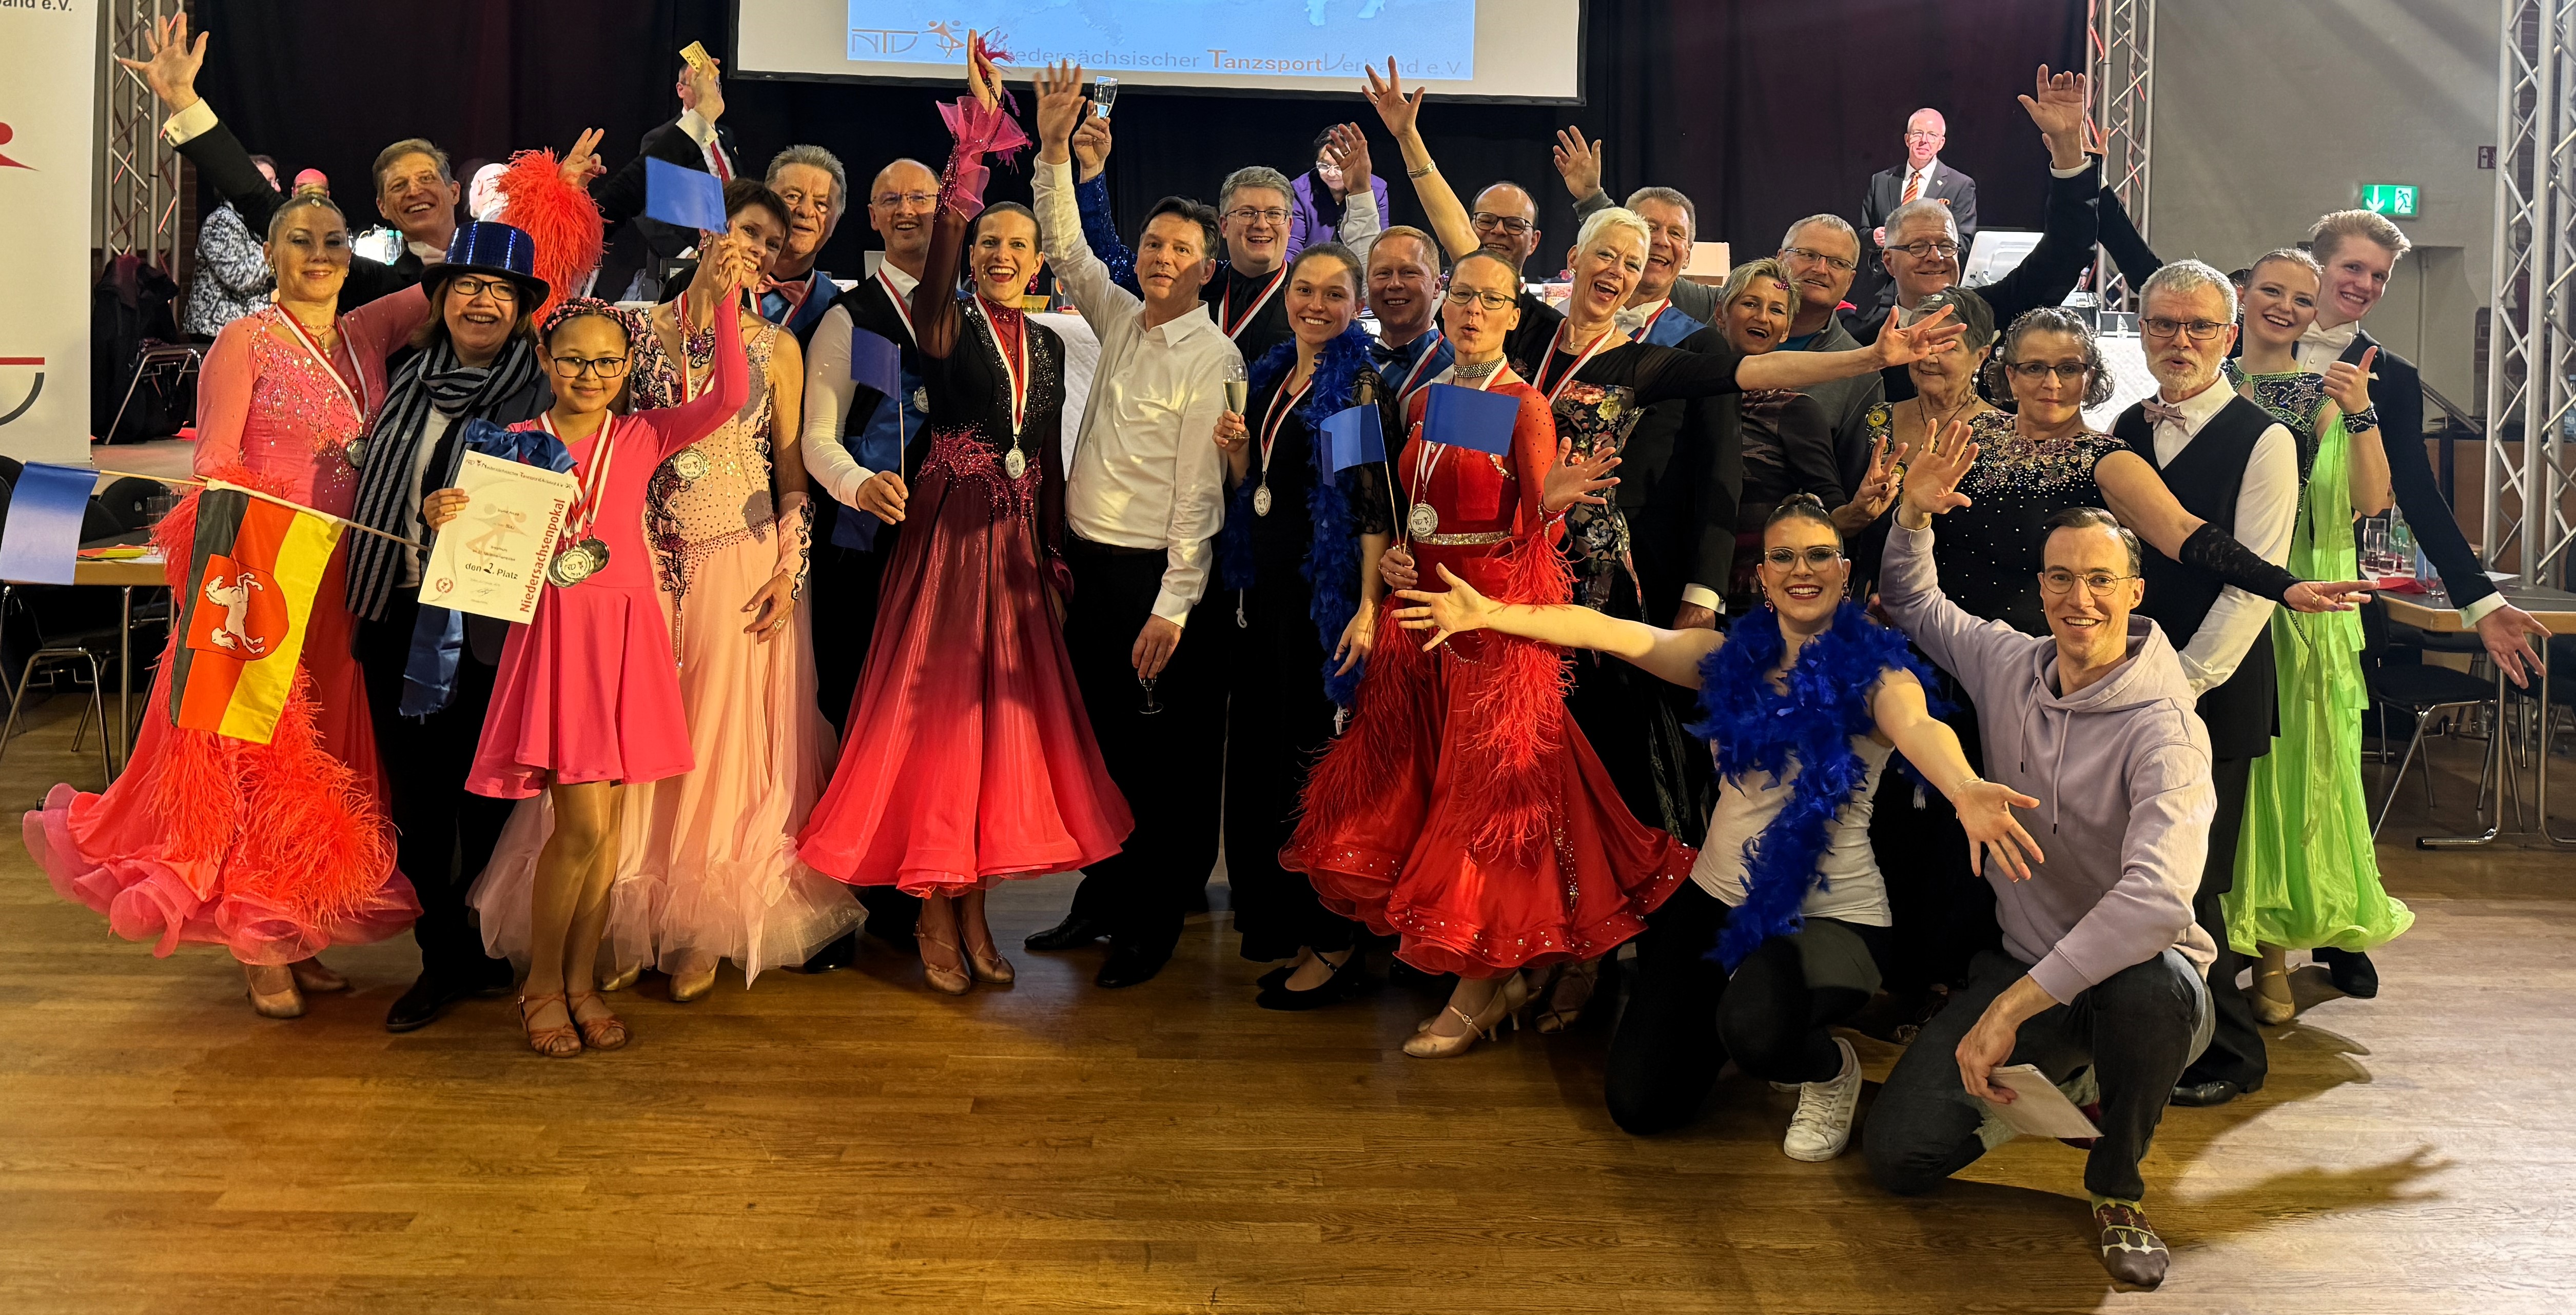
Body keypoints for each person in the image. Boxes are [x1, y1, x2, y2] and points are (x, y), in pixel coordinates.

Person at [1398, 494, 2025, 1161]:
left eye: (1818, 554)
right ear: (1763, 576)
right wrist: (1491, 612)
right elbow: (1604, 629)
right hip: (1715, 898)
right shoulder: (1724, 655)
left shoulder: (1875, 673)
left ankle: (1825, 1068)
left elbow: (1918, 724)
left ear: (1845, 572)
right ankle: (1743, 1015)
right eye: (1782, 555)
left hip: (1827, 912)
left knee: (1756, 1028)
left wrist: (1963, 786)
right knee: (1641, 1104)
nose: (1800, 569)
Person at [26, 180, 429, 1019]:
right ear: (272, 255)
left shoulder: (366, 334)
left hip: (344, 582)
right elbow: (214, 465)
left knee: (326, 761)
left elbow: (456, 277)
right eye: (302, 241)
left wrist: (554, 196)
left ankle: (300, 926)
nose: (320, 256)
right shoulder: (242, 341)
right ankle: (256, 940)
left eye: (334, 241)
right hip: (261, 579)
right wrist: (239, 560)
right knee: (255, 751)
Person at [1282, 249, 1679, 1056]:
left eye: (1489, 299)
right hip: (1425, 625)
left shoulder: (1524, 406)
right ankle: (1499, 974)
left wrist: (1553, 510)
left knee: (1489, 817)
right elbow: (1421, 508)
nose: (1469, 309)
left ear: (1512, 313)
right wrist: (1396, 559)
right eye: (1461, 294)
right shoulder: (1426, 398)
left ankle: (1479, 986)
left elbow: (1536, 546)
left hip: (1491, 635)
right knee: (1435, 800)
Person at [799, 47, 1130, 995]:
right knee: (940, 731)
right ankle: (936, 915)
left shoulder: (1055, 341)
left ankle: (977, 907)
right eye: (987, 244)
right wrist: (968, 169)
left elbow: (1055, 458)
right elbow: (946, 254)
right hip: (947, 549)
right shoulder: (943, 324)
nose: (997, 256)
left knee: (993, 737)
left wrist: (1058, 558)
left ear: (1036, 264)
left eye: (1013, 248)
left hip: (1020, 554)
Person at [1865, 454, 2220, 1289]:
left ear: (2135, 593)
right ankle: (2066, 1078)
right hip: (2027, 958)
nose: (2078, 598)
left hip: (2139, 978)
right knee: (1900, 1154)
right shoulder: (2008, 662)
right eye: (2060, 577)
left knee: (2154, 989)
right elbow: (1916, 603)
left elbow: (2157, 902)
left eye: (2100, 579)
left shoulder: (2166, 727)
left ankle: (2118, 1182)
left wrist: (2010, 1013)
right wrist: (1912, 516)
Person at [454, 246, 755, 1056]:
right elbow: (479, 544)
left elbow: (731, 394)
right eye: (575, 360)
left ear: (628, 367)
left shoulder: (646, 433)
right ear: (546, 360)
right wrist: (445, 508)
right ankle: (542, 984)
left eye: (607, 362)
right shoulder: (514, 439)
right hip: (556, 641)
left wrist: (721, 301)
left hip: (627, 636)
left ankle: (581, 980)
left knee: (609, 830)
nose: (591, 374)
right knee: (581, 827)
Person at [570, 178, 852, 999]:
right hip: (646, 559)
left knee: (716, 742)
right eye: (745, 230)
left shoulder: (778, 347)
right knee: (637, 738)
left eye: (771, 242)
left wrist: (790, 570)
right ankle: (622, 910)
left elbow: (792, 472)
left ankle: (700, 923)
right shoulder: (627, 332)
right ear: (705, 232)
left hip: (742, 558)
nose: (756, 249)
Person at [1026, 62, 1242, 988]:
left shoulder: (1217, 354)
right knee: (1101, 748)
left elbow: (1201, 496)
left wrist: (1175, 607)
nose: (1159, 259)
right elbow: (1069, 249)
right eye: (1152, 244)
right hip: (1091, 570)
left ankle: (1151, 919)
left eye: (1178, 250)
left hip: (1156, 585)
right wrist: (1050, 150)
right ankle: (1101, 892)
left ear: (1205, 266)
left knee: (1160, 764)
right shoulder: (1118, 317)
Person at [342, 220, 558, 1033]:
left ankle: (484, 944)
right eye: (467, 284)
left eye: (501, 290)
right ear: (438, 297)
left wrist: (458, 518)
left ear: (523, 309)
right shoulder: (394, 372)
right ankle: (442, 959)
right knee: (418, 805)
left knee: (485, 803)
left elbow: (551, 497)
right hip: (392, 610)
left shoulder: (539, 391)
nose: (482, 299)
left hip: (485, 630)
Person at [2114, 261, 2297, 1111]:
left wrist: (2179, 685)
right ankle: (2144, 1033)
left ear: (2230, 337)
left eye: (2198, 327)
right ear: (2143, 331)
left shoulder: (2267, 440)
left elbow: (2253, 582)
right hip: (2132, 686)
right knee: (2138, 867)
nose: (2179, 341)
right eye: (2163, 325)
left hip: (2212, 693)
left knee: (2201, 876)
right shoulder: (2124, 425)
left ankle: (2227, 1045)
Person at [2224, 248, 2413, 1022]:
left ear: (2314, 312)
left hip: (2309, 607)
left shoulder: (2330, 395)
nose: (2283, 307)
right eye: (2270, 290)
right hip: (2220, 589)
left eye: (2299, 298)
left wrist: (2363, 410)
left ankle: (2273, 955)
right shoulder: (2202, 383)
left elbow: (2372, 500)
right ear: (2242, 295)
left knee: (2295, 779)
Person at [1206, 243, 1393, 1008]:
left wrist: (1369, 604)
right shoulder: (1273, 372)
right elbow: (1263, 490)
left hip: (1327, 599)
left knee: (1319, 764)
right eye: (1305, 289)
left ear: (1357, 305)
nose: (1316, 304)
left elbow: (1370, 503)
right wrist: (1243, 461)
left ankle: (1335, 941)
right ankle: (1280, 916)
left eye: (1334, 294)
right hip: (1270, 591)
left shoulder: (1355, 383)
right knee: (1268, 752)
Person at [796, 154, 944, 963]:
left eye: (923, 196)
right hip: (867, 550)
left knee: (932, 723)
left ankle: (929, 880)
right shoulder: (852, 317)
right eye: (892, 199)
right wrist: (857, 487)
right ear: (874, 219)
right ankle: (864, 887)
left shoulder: (979, 308)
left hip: (954, 562)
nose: (909, 209)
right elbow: (818, 435)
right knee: (859, 718)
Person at [122, 14, 438, 310]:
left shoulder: (487, 256)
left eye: (426, 178)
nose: (413, 191)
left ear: (453, 191)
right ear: (382, 207)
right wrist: (183, 100)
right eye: (398, 185)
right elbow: (258, 200)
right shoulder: (375, 282)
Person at [1845, 68, 2098, 403]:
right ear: (1889, 261)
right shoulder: (1862, 348)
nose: (1936, 257)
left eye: (1947, 246)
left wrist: (2067, 150)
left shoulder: (1993, 310)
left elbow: (2068, 250)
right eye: (1919, 246)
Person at [1071, 121, 1382, 363]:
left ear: (1289, 224)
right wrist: (1092, 172)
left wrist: (1359, 193)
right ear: (1223, 224)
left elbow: (1366, 285)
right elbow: (1109, 259)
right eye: (1246, 213)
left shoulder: (1308, 299)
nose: (1261, 225)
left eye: (1274, 214)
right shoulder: (1194, 281)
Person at [592, 49, 741, 302]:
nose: (711, 90)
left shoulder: (726, 136)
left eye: (715, 85)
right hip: (680, 266)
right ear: (681, 90)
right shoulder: (660, 139)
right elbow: (644, 206)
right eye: (700, 84)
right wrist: (685, 254)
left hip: (729, 258)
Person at [1773, 215, 1886, 495]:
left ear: (1849, 282)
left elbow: (1849, 484)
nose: (1820, 269)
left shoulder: (1861, 373)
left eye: (1838, 263)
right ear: (1779, 259)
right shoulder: (1722, 320)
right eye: (1808, 254)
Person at [1859, 108, 1978, 316]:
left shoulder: (1960, 186)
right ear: (1907, 139)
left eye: (1932, 135)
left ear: (1941, 143)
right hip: (1879, 296)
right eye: (1918, 133)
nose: (1924, 141)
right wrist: (1874, 237)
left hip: (1930, 293)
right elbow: (1862, 233)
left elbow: (1964, 242)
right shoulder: (1881, 181)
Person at [184, 152, 278, 340]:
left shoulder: (260, 224)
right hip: (218, 332)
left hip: (251, 327)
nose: (277, 189)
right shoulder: (220, 222)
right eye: (269, 183)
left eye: (276, 181)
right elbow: (239, 278)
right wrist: (282, 251)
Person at [1363, 226, 1454, 403]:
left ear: (1437, 287)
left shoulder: (1459, 372)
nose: (1394, 284)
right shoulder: (1349, 364)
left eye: (1409, 273)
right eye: (1383, 273)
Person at [1290, 125, 1392, 261]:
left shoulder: (1377, 190)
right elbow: (1293, 247)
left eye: (1340, 167)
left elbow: (1380, 243)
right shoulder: (1299, 191)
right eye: (1324, 165)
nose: (1332, 174)